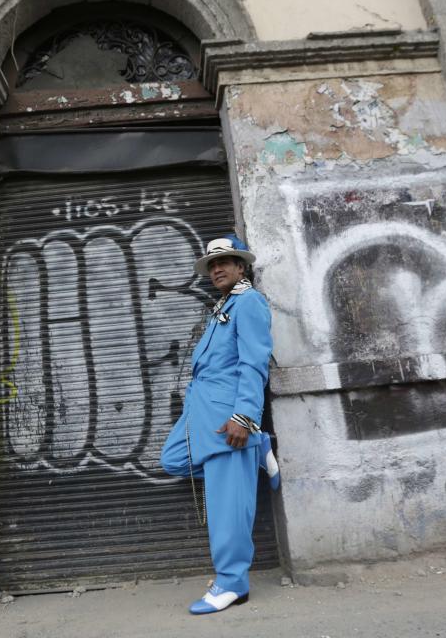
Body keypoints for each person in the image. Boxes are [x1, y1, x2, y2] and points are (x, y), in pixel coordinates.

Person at [160, 234, 280, 615]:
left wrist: (244, 417)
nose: (217, 268)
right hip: (203, 410)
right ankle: (259, 447)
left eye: (225, 261)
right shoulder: (224, 305)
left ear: (241, 267)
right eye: (212, 264)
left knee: (227, 506)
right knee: (172, 459)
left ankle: (232, 583)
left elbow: (254, 364)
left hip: (229, 417)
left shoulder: (249, 303)